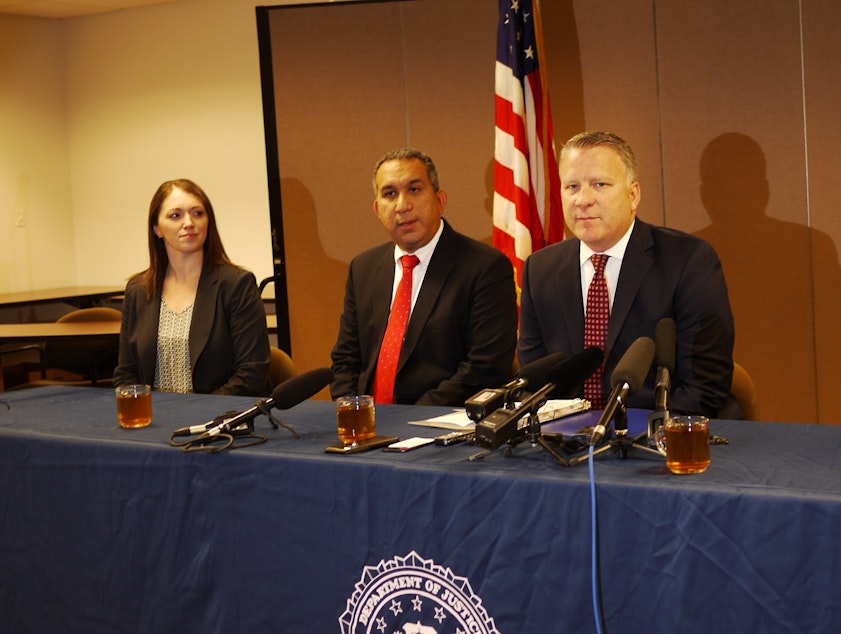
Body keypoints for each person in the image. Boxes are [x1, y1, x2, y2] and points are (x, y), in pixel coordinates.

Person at [518, 131, 736, 417]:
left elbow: (705, 389)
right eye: (572, 186)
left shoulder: (688, 261)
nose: (583, 200)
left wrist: (622, 438)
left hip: (658, 438)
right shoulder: (540, 269)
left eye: (599, 184)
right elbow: (534, 384)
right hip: (567, 443)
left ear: (633, 195)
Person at [330, 148, 518, 406]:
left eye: (414, 189)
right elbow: (345, 360)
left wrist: (408, 421)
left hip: (440, 427)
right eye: (389, 194)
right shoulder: (362, 268)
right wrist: (352, 410)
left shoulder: (485, 268)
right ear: (376, 209)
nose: (402, 205)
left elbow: (484, 369)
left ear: (440, 200)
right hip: (366, 426)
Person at [114, 178, 271, 396]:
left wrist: (195, 415)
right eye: (175, 215)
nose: (189, 222)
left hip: (218, 420)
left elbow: (251, 374)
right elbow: (126, 373)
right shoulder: (137, 289)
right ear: (157, 228)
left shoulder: (237, 284)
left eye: (197, 213)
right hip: (154, 420)